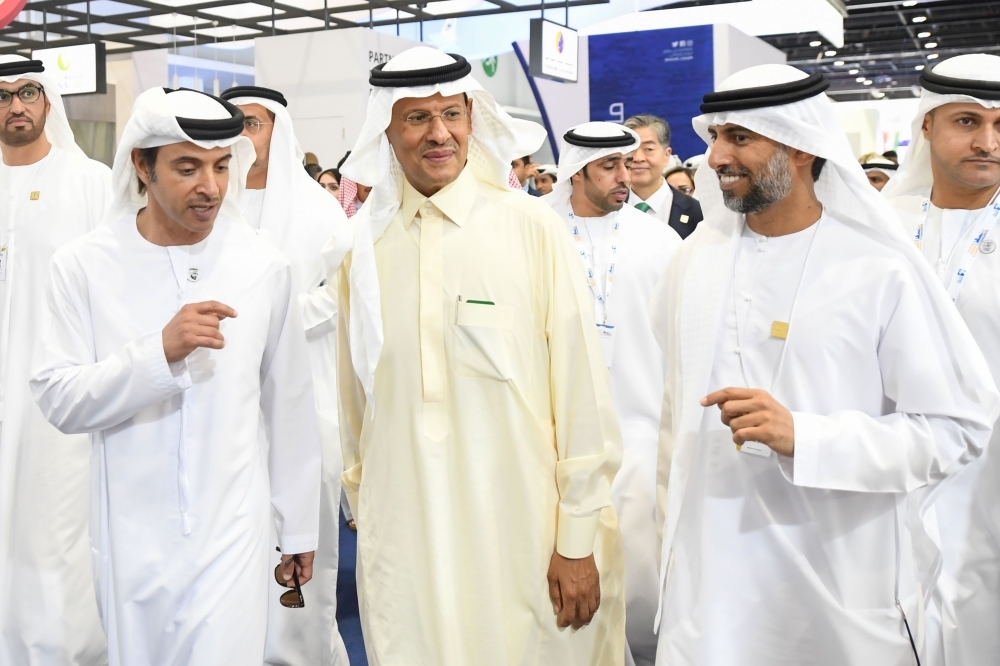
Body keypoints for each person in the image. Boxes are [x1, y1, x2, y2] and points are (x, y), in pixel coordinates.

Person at [649, 64, 998, 666]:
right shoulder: (691, 265)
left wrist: (806, 438)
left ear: (801, 147)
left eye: (740, 138)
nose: (716, 158)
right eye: (715, 138)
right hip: (709, 596)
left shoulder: (877, 268)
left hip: (839, 588)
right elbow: (671, 429)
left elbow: (956, 429)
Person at [335, 46, 625, 665]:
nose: (439, 134)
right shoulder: (364, 248)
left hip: (523, 525)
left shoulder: (530, 227)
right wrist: (367, 510)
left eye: (452, 114)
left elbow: (581, 389)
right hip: (405, 529)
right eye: (417, 118)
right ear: (386, 129)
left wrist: (576, 537)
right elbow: (354, 401)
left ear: (474, 117)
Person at [29, 87, 322, 665]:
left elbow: (288, 403)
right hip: (129, 536)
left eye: (220, 166)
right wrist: (156, 354)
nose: (210, 187)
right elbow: (59, 398)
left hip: (233, 529)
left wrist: (299, 528)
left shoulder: (261, 264)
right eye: (187, 168)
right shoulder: (83, 265)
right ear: (142, 165)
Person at [220, 84, 351, 666]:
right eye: (235, 125)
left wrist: (261, 323)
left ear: (280, 130)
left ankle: (299, 653)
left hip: (303, 395)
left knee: (299, 535)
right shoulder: (209, 200)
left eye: (253, 123)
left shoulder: (316, 208)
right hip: (220, 395)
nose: (243, 136)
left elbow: (338, 299)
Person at [544, 121, 681, 666]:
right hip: (557, 444)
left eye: (628, 163)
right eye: (610, 166)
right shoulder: (540, 232)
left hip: (643, 436)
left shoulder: (660, 240)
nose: (627, 175)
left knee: (644, 577)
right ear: (578, 170)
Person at [881, 53, 1000, 666]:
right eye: (967, 122)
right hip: (889, 471)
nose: (987, 142)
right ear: (926, 126)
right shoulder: (878, 230)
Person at [0, 54, 111, 666]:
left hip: (59, 400)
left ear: (48, 102)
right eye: (3, 95)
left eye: (28, 92)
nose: (16, 106)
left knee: (54, 533)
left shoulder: (89, 181)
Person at [624, 114, 703, 239]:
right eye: (631, 149)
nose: (638, 158)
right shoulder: (605, 209)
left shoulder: (698, 213)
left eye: (648, 149)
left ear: (666, 155)